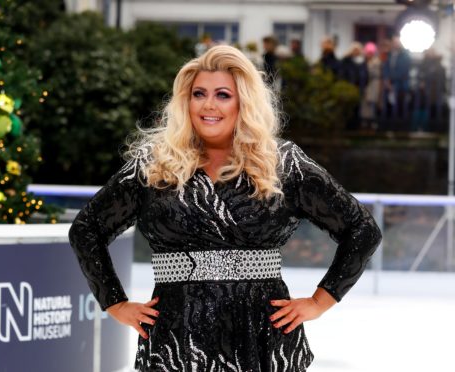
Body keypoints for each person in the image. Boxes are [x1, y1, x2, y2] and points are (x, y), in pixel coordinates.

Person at [68, 45, 382, 371]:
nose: (208, 104)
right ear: (184, 102)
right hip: (178, 338)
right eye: (198, 94)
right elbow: (86, 229)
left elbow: (362, 230)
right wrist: (115, 303)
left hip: (263, 337)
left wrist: (321, 301)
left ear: (243, 102)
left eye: (222, 95)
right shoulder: (154, 164)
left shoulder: (283, 162)